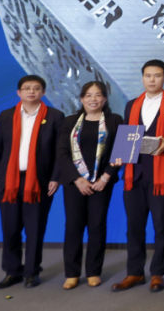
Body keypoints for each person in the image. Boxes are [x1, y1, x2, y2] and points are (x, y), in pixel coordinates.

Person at [112, 60, 164, 293]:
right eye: (148, 75)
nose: (152, 79)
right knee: (134, 227)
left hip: (161, 175)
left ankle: (157, 274)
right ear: (143, 78)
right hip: (133, 175)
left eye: (157, 75)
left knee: (161, 226)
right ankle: (135, 273)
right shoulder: (131, 105)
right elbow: (127, 135)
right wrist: (119, 155)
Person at [0, 75, 64, 289]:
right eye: (27, 88)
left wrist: (56, 178)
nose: (31, 91)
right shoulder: (6, 116)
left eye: (36, 88)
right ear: (18, 92)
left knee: (35, 229)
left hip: (39, 182)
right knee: (10, 228)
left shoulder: (55, 116)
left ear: (43, 92)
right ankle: (12, 272)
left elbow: (60, 151)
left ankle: (32, 272)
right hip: (8, 182)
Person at [56, 81, 121, 290]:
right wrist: (78, 179)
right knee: (73, 226)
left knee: (97, 226)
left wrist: (105, 178)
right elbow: (62, 153)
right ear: (82, 99)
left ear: (105, 99)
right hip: (75, 183)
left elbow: (121, 152)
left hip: (102, 183)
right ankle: (72, 273)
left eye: (98, 95)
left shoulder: (115, 120)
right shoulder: (70, 121)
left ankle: (94, 272)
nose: (93, 99)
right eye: (88, 95)